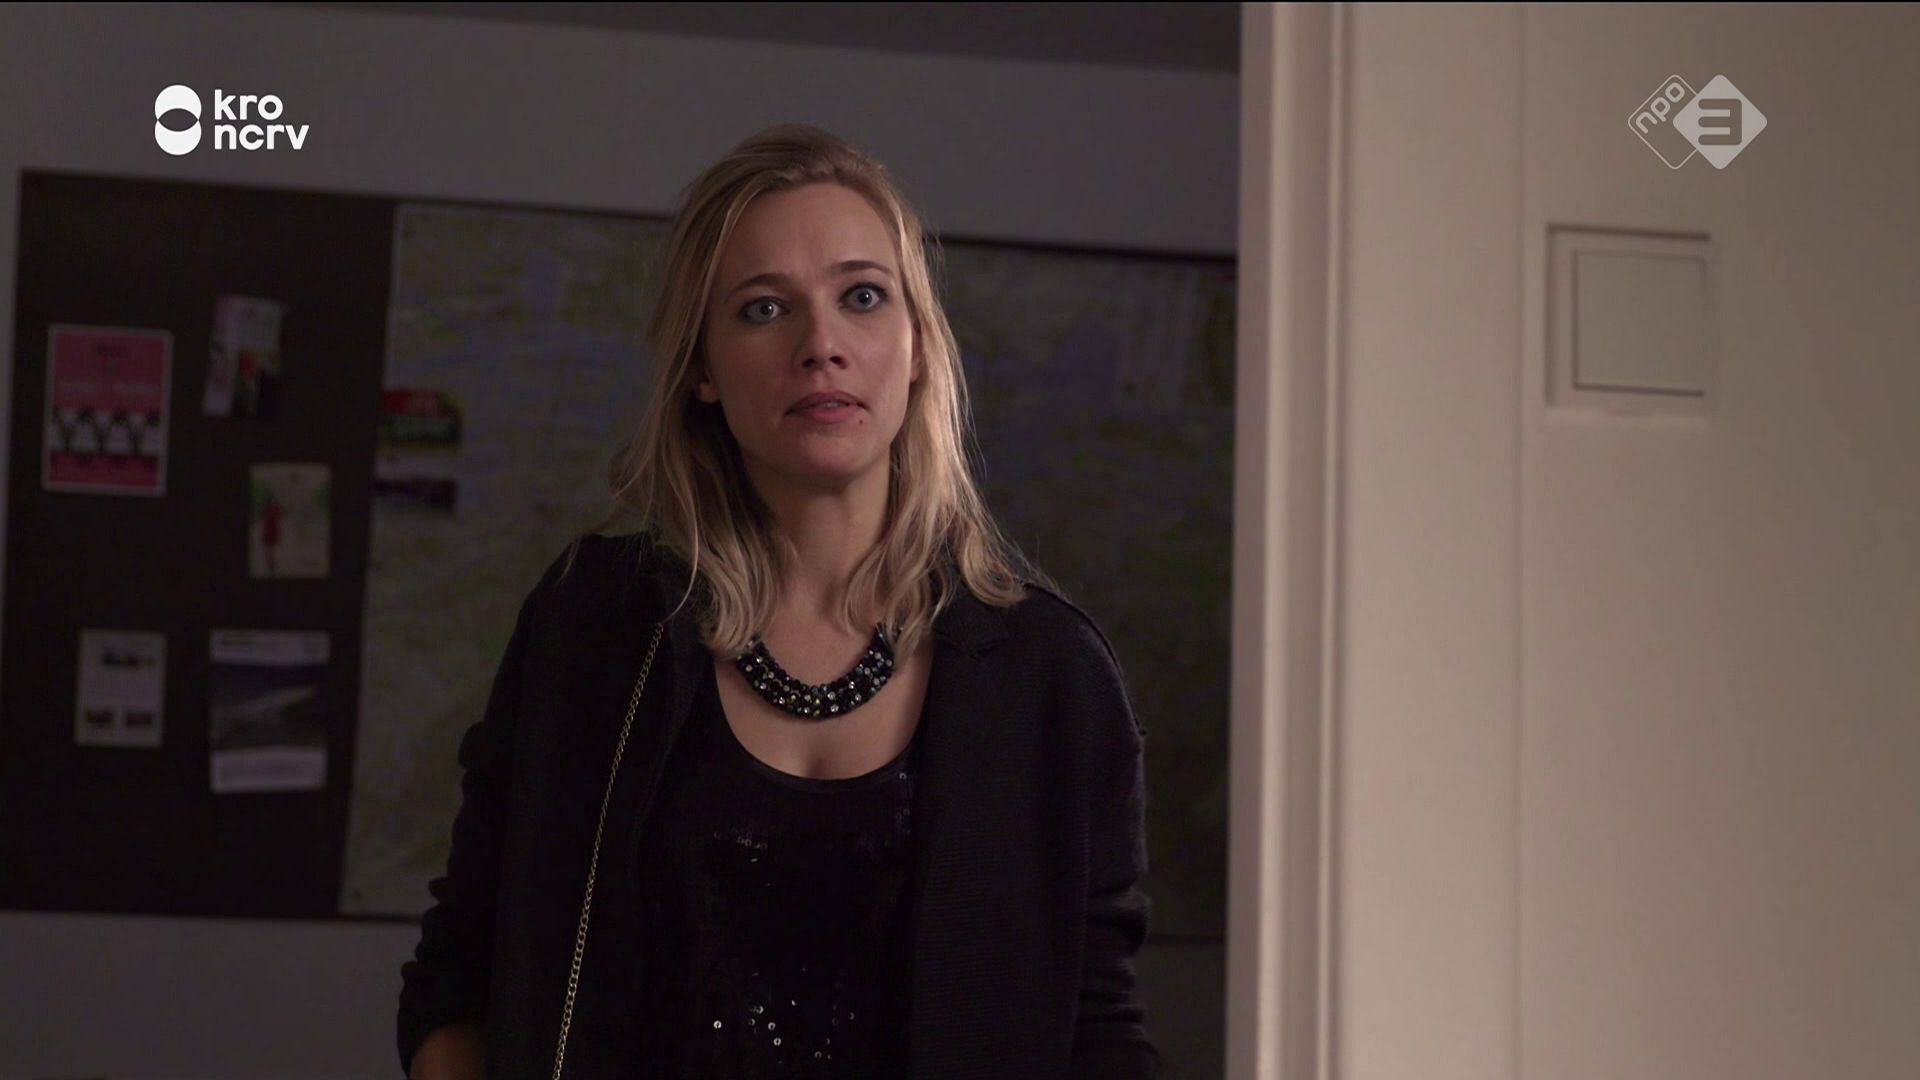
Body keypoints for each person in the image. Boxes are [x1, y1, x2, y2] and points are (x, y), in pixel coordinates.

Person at [397, 123, 1158, 1079]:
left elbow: (1097, 1029)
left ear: (918, 347)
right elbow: (458, 973)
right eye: (764, 309)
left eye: (863, 297)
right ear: (703, 369)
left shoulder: (1050, 674)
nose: (821, 345)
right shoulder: (592, 624)